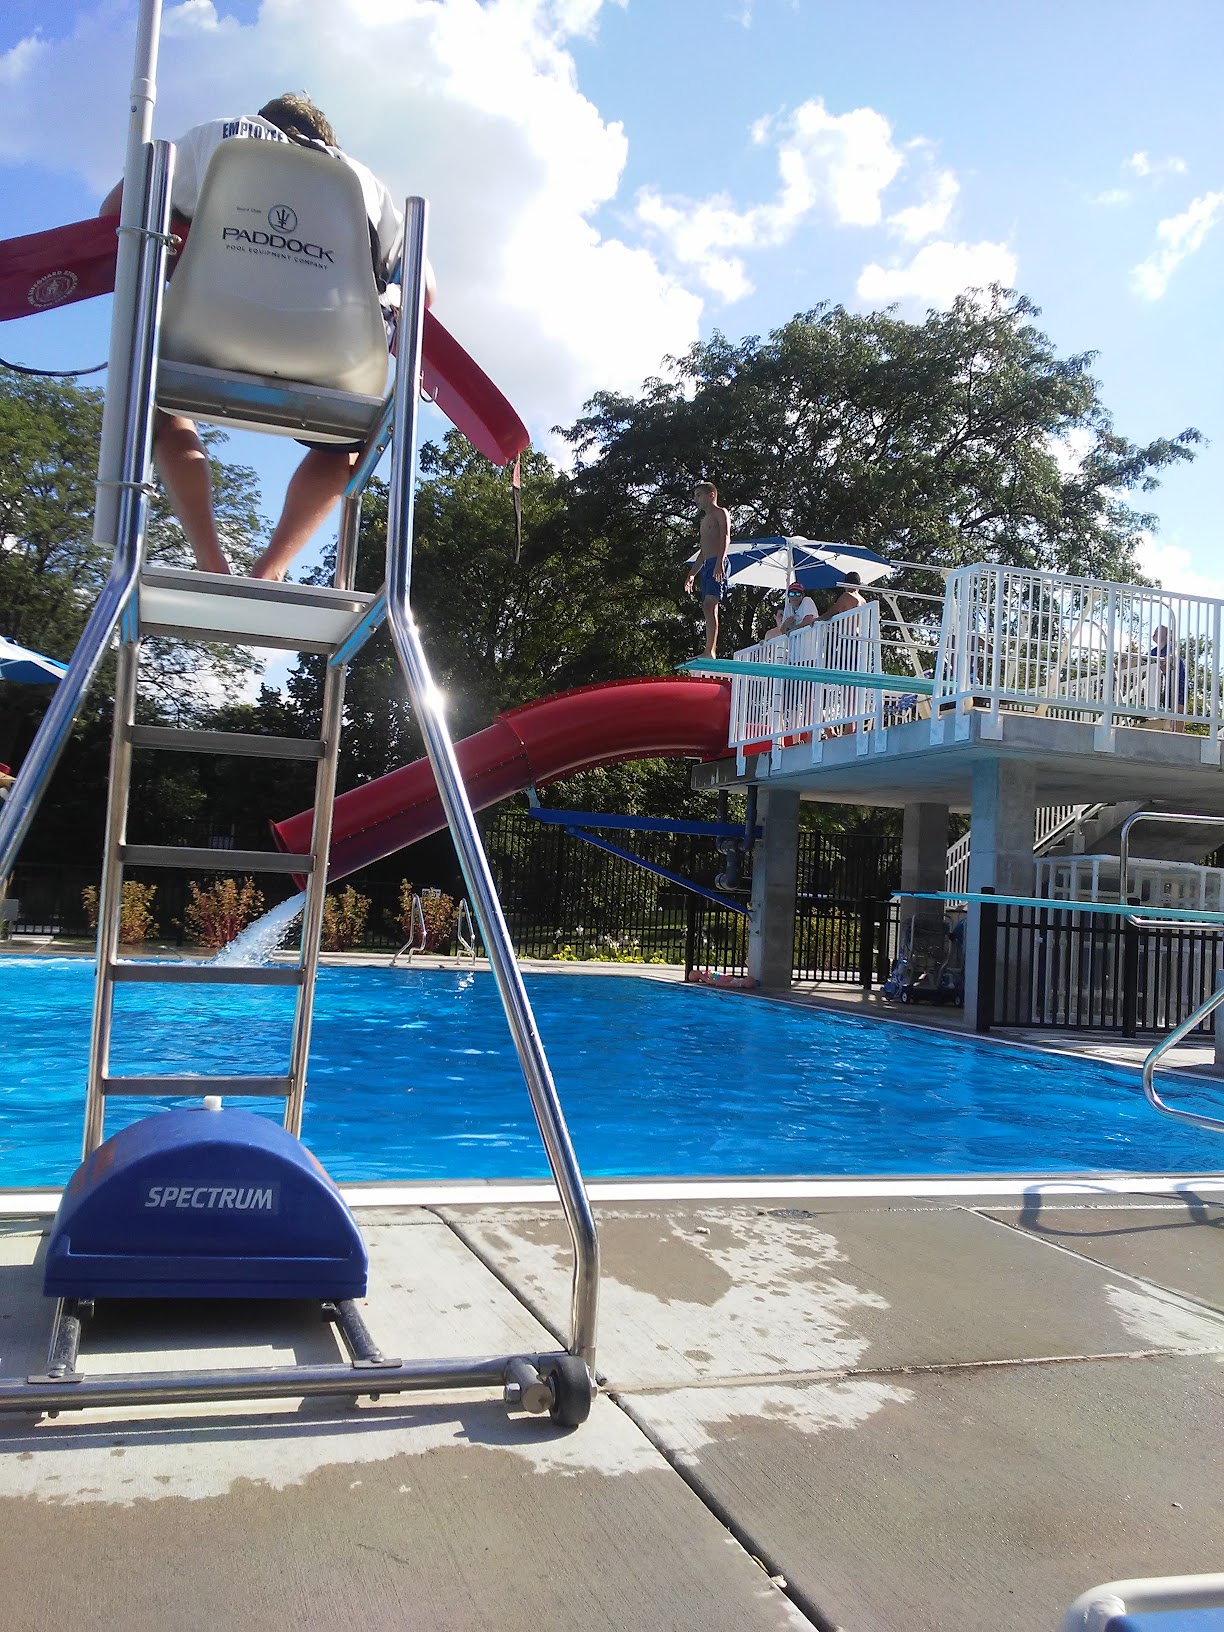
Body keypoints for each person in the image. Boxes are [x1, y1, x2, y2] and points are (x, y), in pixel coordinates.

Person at [99, 94, 435, 582]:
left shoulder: (213, 138)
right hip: (327, 358)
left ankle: (210, 559)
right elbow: (424, 289)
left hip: (206, 339)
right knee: (339, 442)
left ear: (263, 119)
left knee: (163, 408)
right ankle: (270, 570)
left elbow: (115, 215)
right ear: (328, 141)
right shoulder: (363, 181)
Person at [683, 480, 730, 658]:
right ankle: (709, 650)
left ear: (711, 495)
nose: (696, 499)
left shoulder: (721, 512)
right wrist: (692, 574)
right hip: (707, 565)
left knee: (710, 604)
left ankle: (710, 651)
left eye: (698, 495)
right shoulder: (703, 521)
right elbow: (703, 552)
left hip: (718, 562)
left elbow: (726, 537)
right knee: (707, 607)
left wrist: (720, 561)